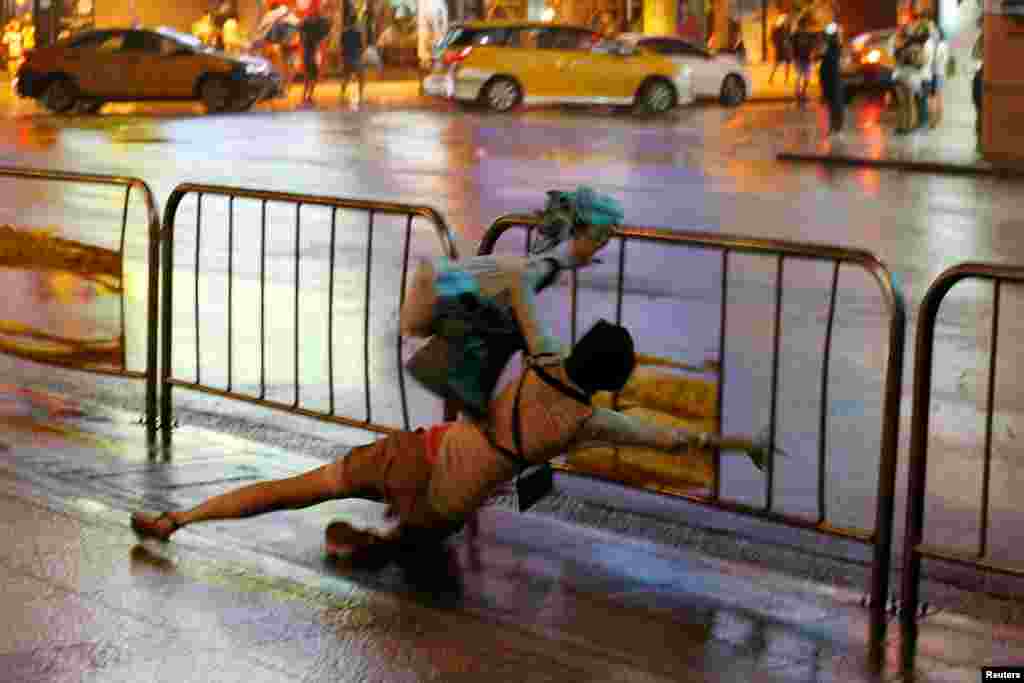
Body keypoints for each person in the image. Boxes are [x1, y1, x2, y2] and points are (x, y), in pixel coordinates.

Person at [130, 319, 774, 561]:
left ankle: (178, 519)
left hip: (416, 455)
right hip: (445, 507)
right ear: (613, 378)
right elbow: (674, 442)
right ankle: (384, 540)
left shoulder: (540, 360)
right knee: (417, 532)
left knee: (295, 490)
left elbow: (520, 286)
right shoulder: (590, 424)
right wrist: (743, 443)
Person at [296, 0, 330, 107]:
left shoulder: (313, 21)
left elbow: (321, 41)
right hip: (311, 50)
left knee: (310, 76)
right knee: (310, 76)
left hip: (311, 50)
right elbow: (322, 38)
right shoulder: (313, 22)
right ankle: (306, 97)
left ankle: (306, 97)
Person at [819, 23, 844, 136]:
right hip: (828, 77)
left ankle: (836, 127)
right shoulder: (829, 45)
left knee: (835, 103)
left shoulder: (834, 46)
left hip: (832, 77)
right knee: (831, 103)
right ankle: (834, 127)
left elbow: (830, 58)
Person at [790, 17, 819, 104]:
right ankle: (799, 93)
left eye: (805, 25)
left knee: (804, 77)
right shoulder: (796, 35)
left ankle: (801, 93)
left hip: (804, 58)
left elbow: (814, 43)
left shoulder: (806, 34)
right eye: (805, 25)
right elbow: (790, 44)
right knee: (801, 76)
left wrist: (813, 53)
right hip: (800, 58)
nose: (805, 26)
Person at [928, 21, 949, 129]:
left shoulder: (941, 46)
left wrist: (931, 60)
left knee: (935, 97)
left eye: (934, 32)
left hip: (937, 73)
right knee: (935, 97)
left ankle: (935, 120)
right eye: (932, 33)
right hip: (934, 73)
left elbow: (939, 60)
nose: (933, 34)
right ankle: (935, 119)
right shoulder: (933, 45)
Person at [339, 20, 365, 107]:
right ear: (354, 23)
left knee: (346, 77)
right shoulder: (358, 33)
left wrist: (342, 58)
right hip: (355, 58)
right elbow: (361, 46)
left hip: (346, 58)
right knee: (361, 77)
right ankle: (361, 95)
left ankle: (342, 94)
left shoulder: (344, 33)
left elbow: (341, 46)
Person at [769, 15, 792, 85]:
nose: (787, 21)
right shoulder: (777, 29)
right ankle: (771, 78)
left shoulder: (787, 28)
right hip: (781, 48)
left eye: (787, 20)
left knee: (788, 64)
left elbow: (789, 37)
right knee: (777, 64)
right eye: (785, 20)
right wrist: (778, 45)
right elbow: (772, 39)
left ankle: (786, 79)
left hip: (787, 48)